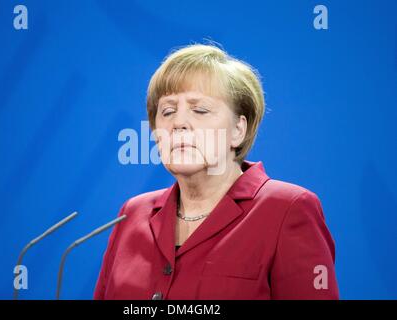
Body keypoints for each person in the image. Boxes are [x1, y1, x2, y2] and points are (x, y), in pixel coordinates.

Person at [93, 44, 339, 300]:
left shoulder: (288, 209)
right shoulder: (131, 215)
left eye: (199, 110)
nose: (178, 123)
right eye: (167, 111)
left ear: (237, 130)